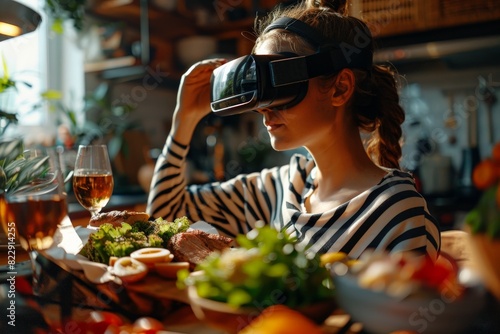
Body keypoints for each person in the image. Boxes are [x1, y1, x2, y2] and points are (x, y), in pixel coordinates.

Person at [146, 0, 440, 260]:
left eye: (278, 85)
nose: (262, 108)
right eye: (259, 90)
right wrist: (183, 122)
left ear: (340, 88)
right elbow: (164, 217)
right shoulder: (282, 186)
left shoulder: (398, 213)